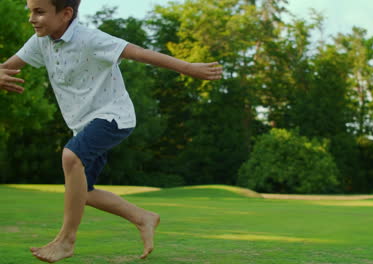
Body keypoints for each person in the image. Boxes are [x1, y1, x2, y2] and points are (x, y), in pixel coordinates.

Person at [0, 0, 223, 263]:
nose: (31, 18)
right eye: (30, 11)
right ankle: (143, 218)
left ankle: (66, 241)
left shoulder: (91, 39)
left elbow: (140, 53)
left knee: (71, 157)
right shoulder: (41, 42)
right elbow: (7, 66)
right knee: (82, 192)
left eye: (39, 12)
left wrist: (188, 68)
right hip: (82, 125)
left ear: (66, 14)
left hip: (113, 116)